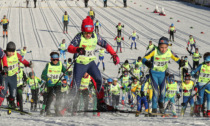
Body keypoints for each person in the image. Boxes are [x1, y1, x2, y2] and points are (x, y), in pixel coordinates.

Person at [67, 16, 119, 111]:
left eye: (90, 32)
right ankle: (67, 105)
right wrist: (77, 49)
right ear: (83, 30)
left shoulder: (95, 37)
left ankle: (101, 103)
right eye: (86, 32)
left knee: (99, 80)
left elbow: (106, 45)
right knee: (75, 85)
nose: (88, 35)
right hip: (80, 64)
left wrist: (114, 55)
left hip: (90, 63)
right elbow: (69, 48)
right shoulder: (79, 37)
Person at [142, 36, 184, 114]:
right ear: (158, 46)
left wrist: (181, 62)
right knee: (156, 92)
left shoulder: (169, 52)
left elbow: (177, 59)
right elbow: (143, 59)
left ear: (167, 46)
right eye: (161, 47)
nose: (163, 49)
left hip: (162, 74)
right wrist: (147, 62)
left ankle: (160, 102)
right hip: (154, 73)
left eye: (165, 47)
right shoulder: (154, 51)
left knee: (163, 92)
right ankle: (154, 109)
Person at [0, 42, 32, 108]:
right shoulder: (3, 56)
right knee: (3, 91)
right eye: (9, 51)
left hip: (13, 76)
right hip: (4, 76)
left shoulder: (16, 55)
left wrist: (29, 64)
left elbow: (23, 61)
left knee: (13, 94)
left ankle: (11, 100)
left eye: (12, 51)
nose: (11, 53)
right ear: (6, 50)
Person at [41, 52, 68, 116]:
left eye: (57, 59)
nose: (55, 61)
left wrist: (65, 74)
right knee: (50, 97)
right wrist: (47, 79)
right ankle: (47, 110)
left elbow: (65, 71)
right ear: (51, 59)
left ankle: (57, 110)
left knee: (59, 96)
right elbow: (43, 75)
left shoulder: (60, 64)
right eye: (54, 59)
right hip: (50, 84)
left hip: (58, 83)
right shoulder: (48, 65)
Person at [191, 52, 210, 117]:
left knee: (209, 98)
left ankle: (208, 111)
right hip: (201, 84)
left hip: (208, 84)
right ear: (204, 61)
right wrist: (195, 76)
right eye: (207, 62)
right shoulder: (201, 66)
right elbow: (193, 72)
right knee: (201, 98)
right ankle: (199, 109)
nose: (209, 64)